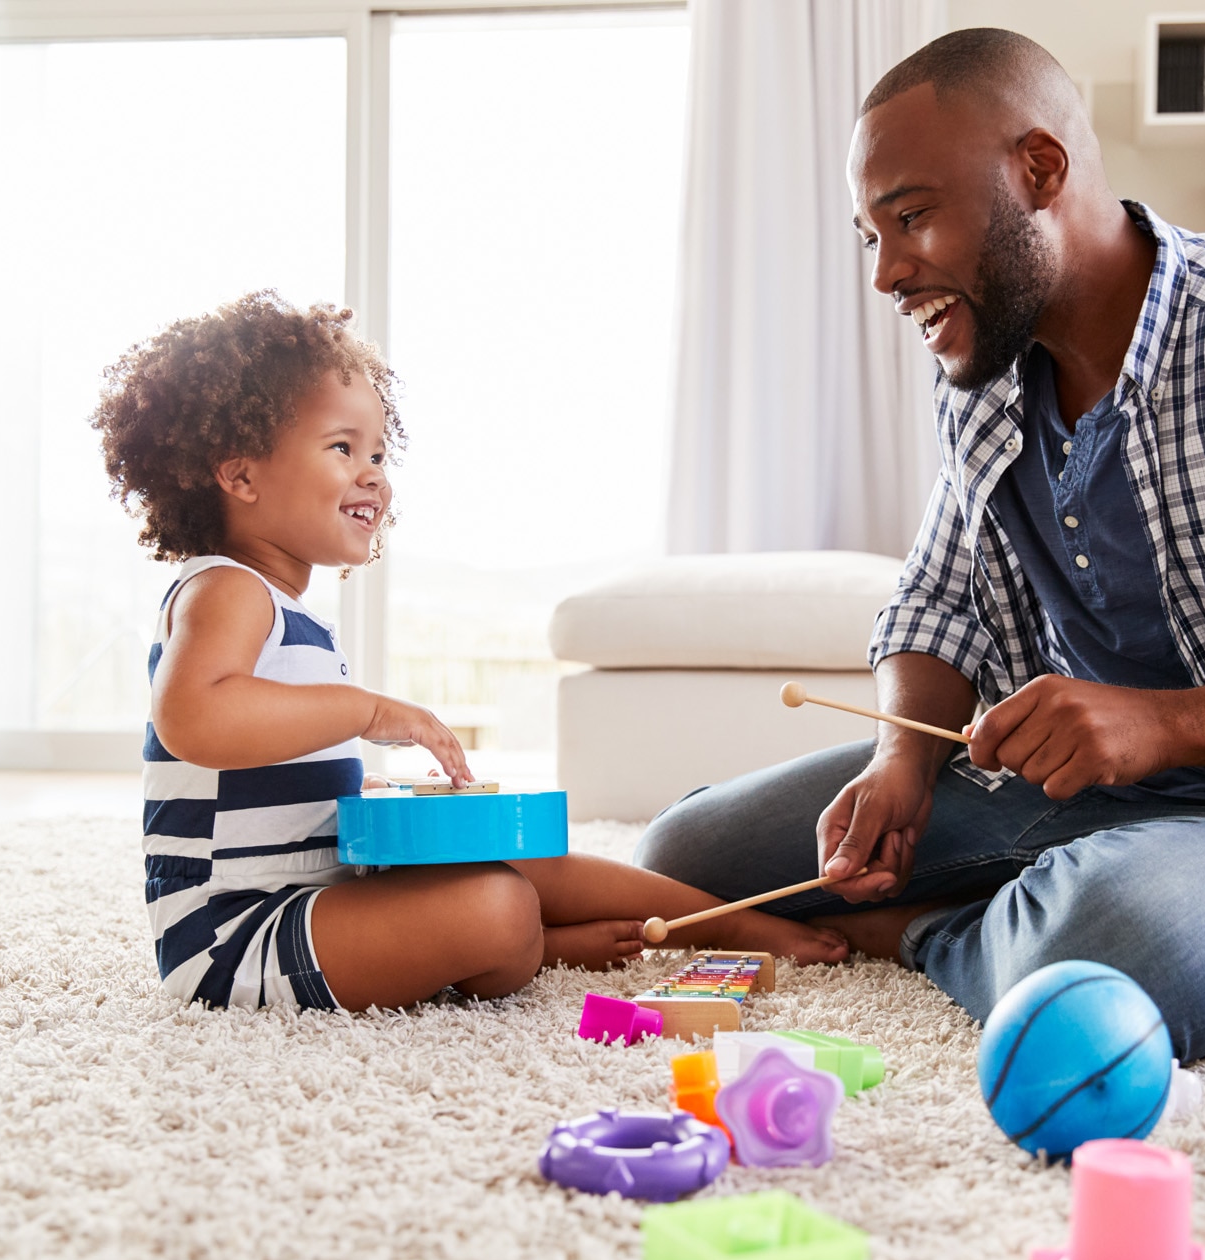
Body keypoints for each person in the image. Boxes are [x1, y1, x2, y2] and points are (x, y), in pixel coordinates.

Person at [635, 29, 1205, 1060]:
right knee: (686, 852)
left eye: (911, 217)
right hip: (1077, 799)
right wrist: (902, 757)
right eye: (871, 235)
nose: (888, 273)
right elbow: (938, 600)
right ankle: (1027, 905)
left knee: (1110, 948)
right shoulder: (989, 371)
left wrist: (1168, 725)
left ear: (1040, 169)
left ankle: (919, 930)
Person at [93, 292, 847, 1012]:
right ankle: (540, 945)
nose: (372, 474)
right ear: (240, 473)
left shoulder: (288, 612)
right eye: (342, 447)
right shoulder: (227, 589)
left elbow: (275, 763)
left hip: (317, 891)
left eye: (380, 453)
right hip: (234, 937)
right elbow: (196, 717)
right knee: (499, 905)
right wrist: (370, 711)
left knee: (516, 858)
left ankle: (728, 923)